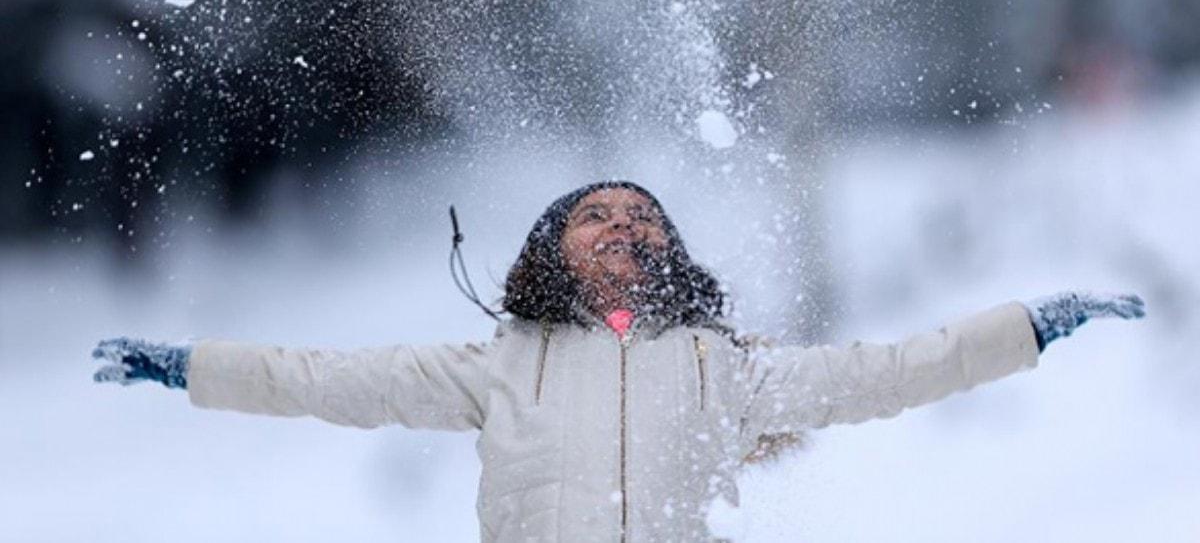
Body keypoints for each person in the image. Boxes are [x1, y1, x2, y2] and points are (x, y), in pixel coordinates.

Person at [92, 180, 1146, 542]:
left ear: (669, 251)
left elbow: (891, 370)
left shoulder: (724, 369)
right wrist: (190, 366)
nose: (619, 227)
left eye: (642, 216)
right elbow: (322, 379)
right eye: (593, 215)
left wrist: (1029, 327)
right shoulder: (497, 364)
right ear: (552, 248)